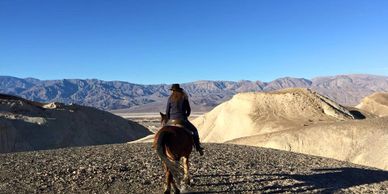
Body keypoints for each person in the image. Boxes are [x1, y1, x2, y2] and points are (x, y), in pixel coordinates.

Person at [165, 84, 204, 156]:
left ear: (172, 91)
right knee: (194, 131)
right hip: (182, 120)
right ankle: (198, 148)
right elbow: (188, 110)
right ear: (179, 89)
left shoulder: (170, 98)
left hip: (171, 120)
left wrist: (168, 120)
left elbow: (167, 111)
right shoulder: (183, 97)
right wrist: (186, 115)